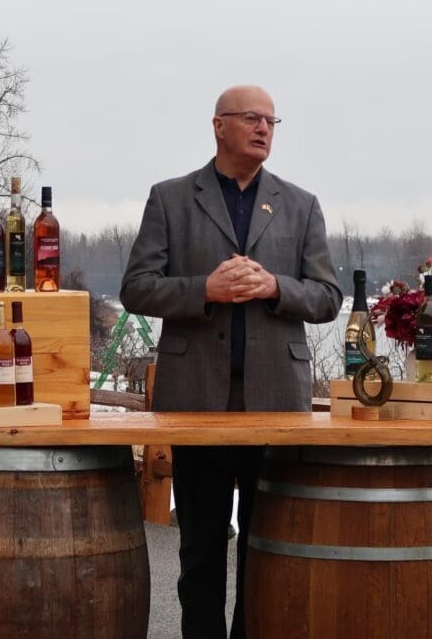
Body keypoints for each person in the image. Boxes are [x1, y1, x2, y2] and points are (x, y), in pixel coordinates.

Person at [120, 85, 343, 638]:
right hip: (195, 401)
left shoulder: (301, 204)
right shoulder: (170, 199)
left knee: (264, 551)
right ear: (219, 125)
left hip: (277, 403)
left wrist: (275, 286)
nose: (264, 128)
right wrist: (205, 289)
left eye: (271, 120)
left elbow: (327, 297)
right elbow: (136, 288)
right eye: (251, 118)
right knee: (199, 550)